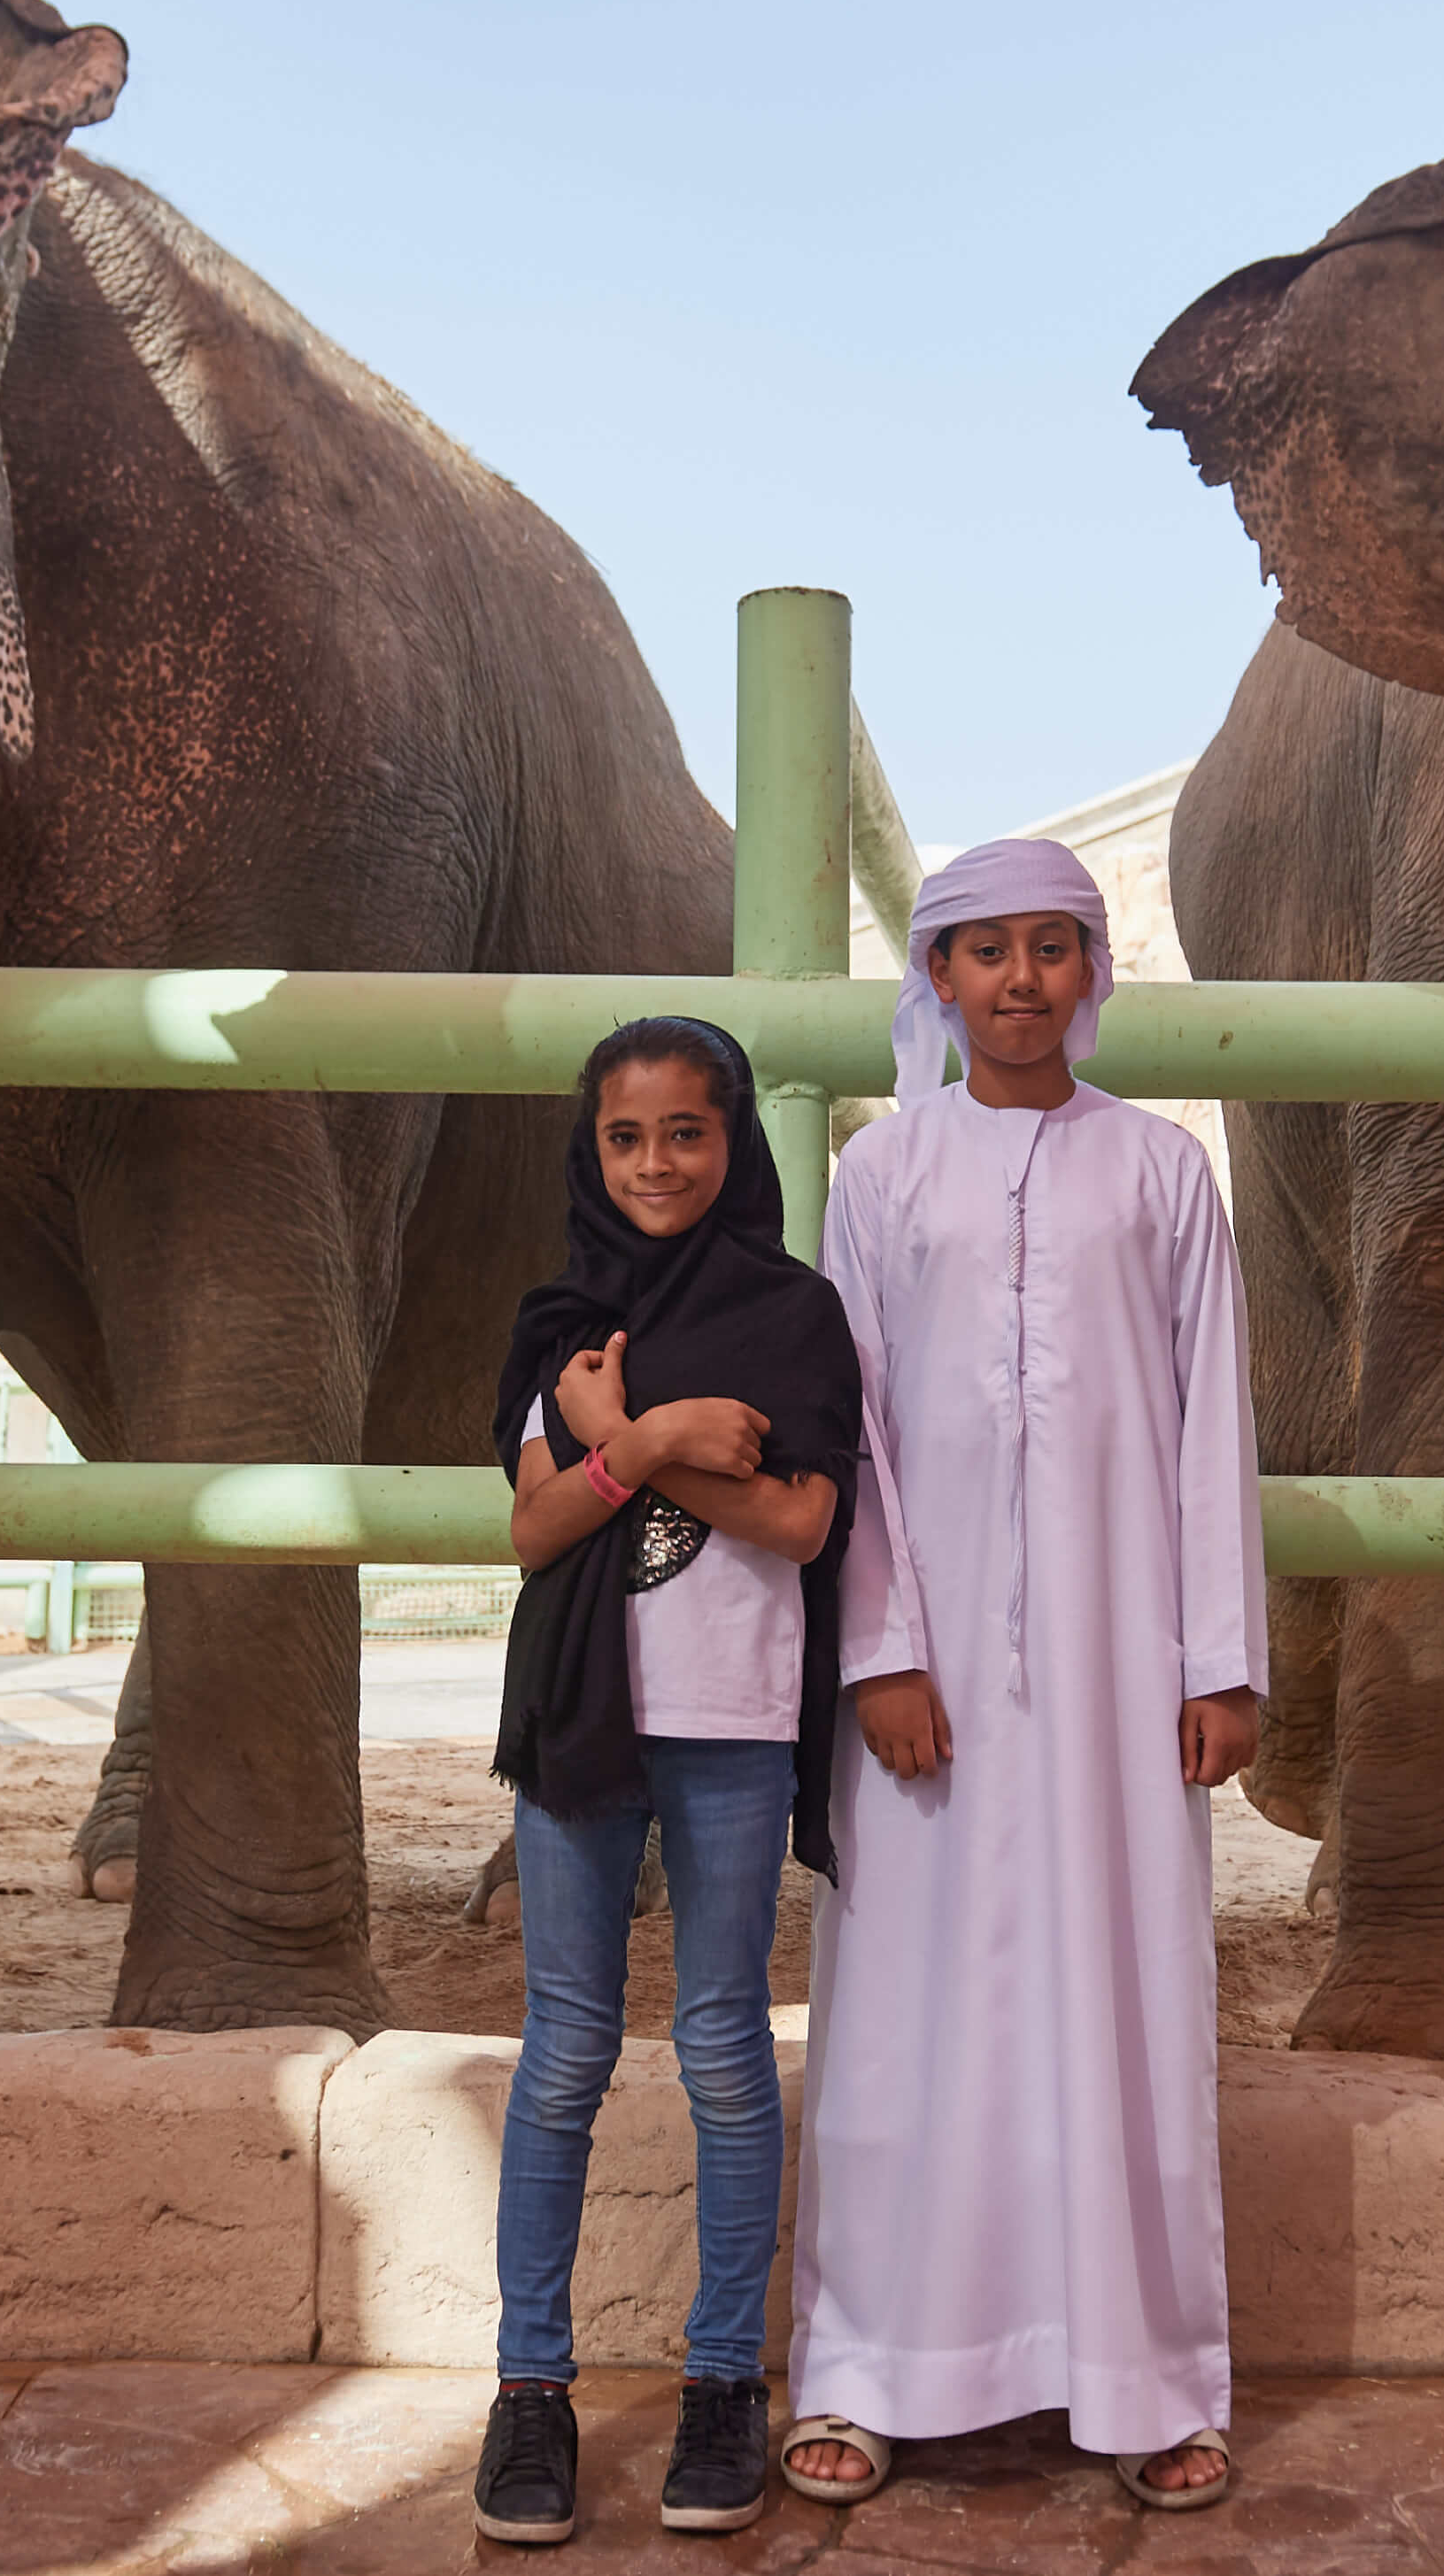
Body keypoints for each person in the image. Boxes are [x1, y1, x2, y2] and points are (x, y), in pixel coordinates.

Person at [780, 839, 1265, 2513]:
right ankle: (866, 2364)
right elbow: (860, 1439)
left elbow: (1214, 1430)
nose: (1019, 980)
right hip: (926, 1692)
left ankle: (1144, 2377)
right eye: (983, 950)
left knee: (1123, 1996)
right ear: (936, 977)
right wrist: (884, 1648)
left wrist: (1220, 1659)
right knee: (905, 2014)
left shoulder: (1161, 1175)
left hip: (1131, 1680)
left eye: (1052, 947)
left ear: (1091, 971)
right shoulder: (881, 1178)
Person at [472, 1016, 864, 2548]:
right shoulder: (561, 1321)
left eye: (686, 1132)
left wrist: (625, 1442)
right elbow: (530, 1528)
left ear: (733, 1141)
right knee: (561, 2049)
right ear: (593, 1148)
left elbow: (805, 1519)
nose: (656, 1163)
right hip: (578, 1724)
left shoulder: (793, 1314)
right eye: (627, 1137)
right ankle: (530, 2392)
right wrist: (651, 1434)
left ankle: (720, 2385)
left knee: (719, 2044)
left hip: (733, 1721)